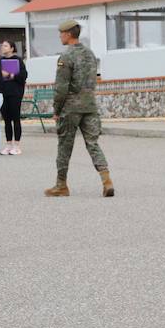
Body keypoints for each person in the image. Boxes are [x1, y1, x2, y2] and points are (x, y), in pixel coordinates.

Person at [45, 21, 114, 197]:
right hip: (89, 105)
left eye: (61, 33)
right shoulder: (90, 54)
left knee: (65, 146)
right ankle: (107, 181)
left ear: (68, 34)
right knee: (93, 143)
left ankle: (61, 185)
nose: (60, 36)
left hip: (71, 107)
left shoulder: (66, 56)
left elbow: (61, 87)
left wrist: (56, 109)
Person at [0, 40, 28, 155]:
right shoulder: (0, 61)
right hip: (3, 93)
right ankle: (8, 144)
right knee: (6, 120)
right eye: (3, 45)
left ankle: (17, 145)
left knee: (15, 118)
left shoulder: (18, 60)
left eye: (6, 46)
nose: (3, 47)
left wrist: (10, 75)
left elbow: (24, 75)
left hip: (15, 93)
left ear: (12, 48)